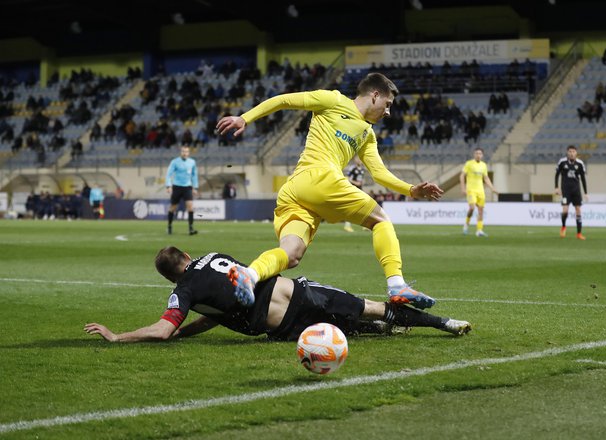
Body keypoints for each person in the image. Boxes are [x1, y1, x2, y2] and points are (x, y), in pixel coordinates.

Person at [216, 73, 443, 310]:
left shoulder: (367, 133)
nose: (388, 112)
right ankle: (397, 284)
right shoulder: (332, 100)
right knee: (381, 220)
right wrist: (245, 118)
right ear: (375, 95)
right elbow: (284, 100)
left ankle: (249, 275)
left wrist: (411, 190)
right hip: (320, 178)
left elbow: (378, 173)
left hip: (296, 190)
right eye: (387, 105)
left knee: (291, 254)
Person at [83, 246, 472, 343]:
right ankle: (443, 323)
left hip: (280, 325)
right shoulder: (215, 255)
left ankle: (378, 329)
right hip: (293, 291)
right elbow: (218, 311)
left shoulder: (183, 292)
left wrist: (118, 336)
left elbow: (164, 330)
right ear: (187, 256)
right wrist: (191, 330)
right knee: (371, 309)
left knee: (347, 330)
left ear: (170, 277)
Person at [460, 147, 498, 237]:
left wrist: (492, 188)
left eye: (480, 153)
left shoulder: (483, 165)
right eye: (476, 153)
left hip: (480, 191)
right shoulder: (469, 164)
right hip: (471, 190)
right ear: (474, 154)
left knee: (481, 211)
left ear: (482, 155)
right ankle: (466, 225)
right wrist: (463, 188)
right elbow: (462, 176)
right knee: (472, 208)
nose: (478, 155)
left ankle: (479, 230)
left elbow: (486, 178)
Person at [554, 145, 588, 240]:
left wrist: (585, 192)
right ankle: (563, 227)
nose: (572, 153)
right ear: (567, 152)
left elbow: (583, 178)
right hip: (565, 191)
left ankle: (579, 233)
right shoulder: (562, 162)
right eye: (570, 151)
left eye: (573, 151)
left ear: (576, 153)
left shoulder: (580, 164)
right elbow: (557, 175)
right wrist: (556, 187)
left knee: (578, 210)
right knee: (565, 210)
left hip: (576, 190)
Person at [165, 145, 199, 235]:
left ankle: (191, 228)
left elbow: (194, 175)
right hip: (177, 186)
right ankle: (169, 226)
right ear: (181, 152)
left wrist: (195, 187)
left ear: (189, 153)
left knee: (190, 207)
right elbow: (169, 174)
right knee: (173, 207)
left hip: (187, 187)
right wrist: (168, 185)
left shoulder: (192, 162)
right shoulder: (175, 162)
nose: (185, 153)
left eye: (186, 151)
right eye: (183, 151)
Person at [343, 157, 365, 232]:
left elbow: (361, 180)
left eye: (360, 160)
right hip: (353, 190)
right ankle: (347, 226)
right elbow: (347, 178)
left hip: (360, 190)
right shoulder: (352, 168)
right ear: (355, 160)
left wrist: (361, 183)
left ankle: (365, 225)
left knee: (362, 208)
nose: (359, 161)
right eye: (358, 159)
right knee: (351, 208)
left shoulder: (362, 169)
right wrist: (356, 183)